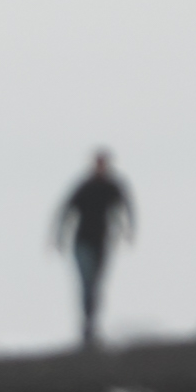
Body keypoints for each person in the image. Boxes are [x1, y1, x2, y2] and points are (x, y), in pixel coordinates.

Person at [60, 150, 138, 351]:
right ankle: (87, 327)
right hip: (82, 242)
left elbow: (126, 207)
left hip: (102, 242)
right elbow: (66, 209)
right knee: (87, 284)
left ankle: (92, 326)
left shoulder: (113, 186)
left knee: (96, 285)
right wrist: (59, 237)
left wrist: (129, 229)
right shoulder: (85, 187)